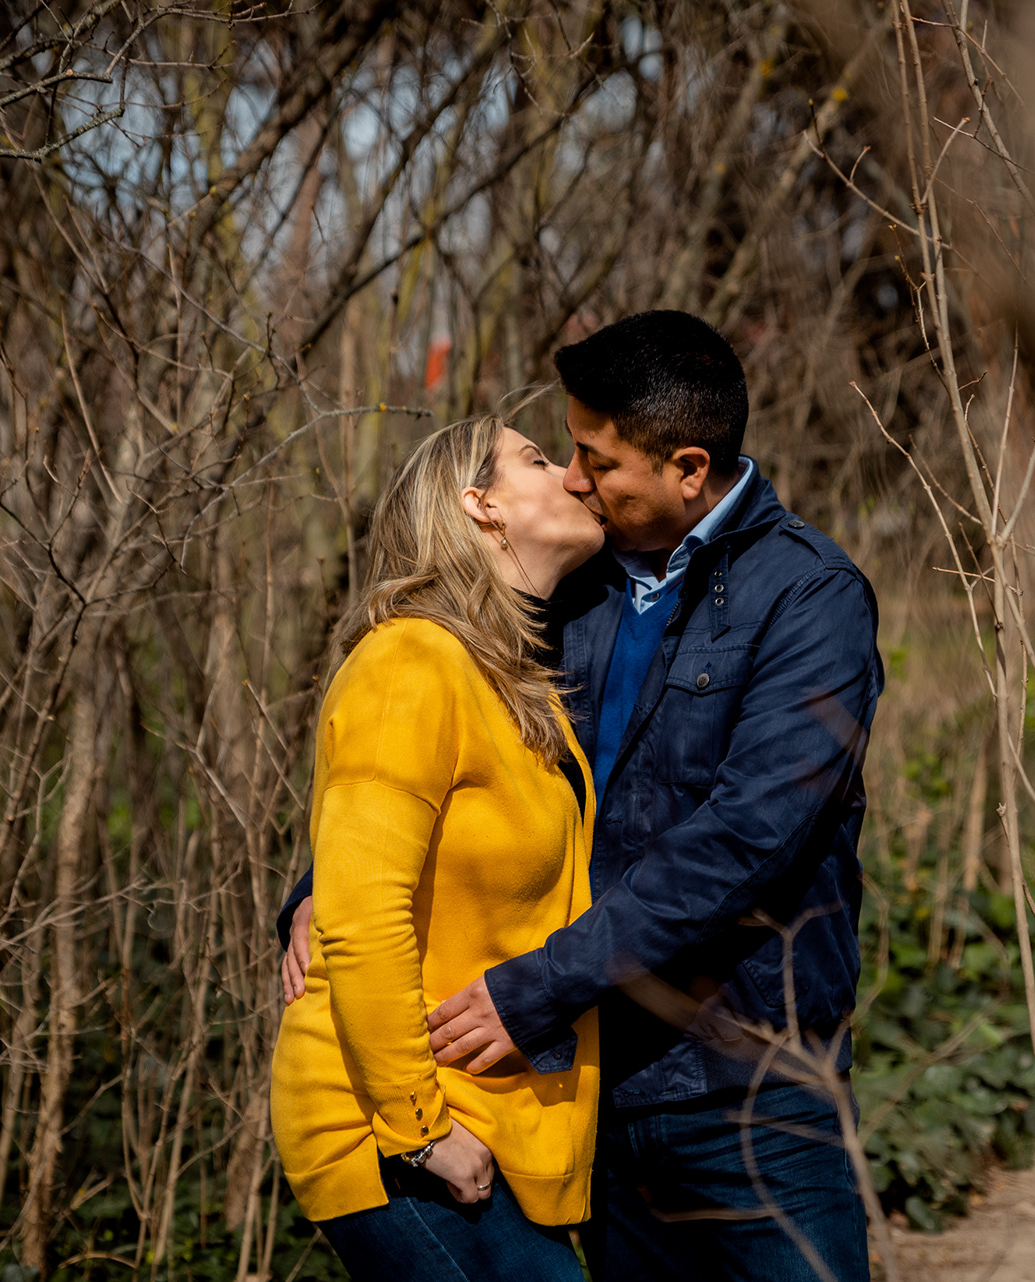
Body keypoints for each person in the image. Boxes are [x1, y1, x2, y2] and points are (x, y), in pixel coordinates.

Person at [282, 311, 883, 1281]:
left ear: (689, 467)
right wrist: (319, 886)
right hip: (595, 1085)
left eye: (594, 458)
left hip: (750, 1088)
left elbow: (746, 839)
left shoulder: (808, 598)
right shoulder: (571, 590)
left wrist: (536, 991)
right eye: (559, 454)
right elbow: (429, 764)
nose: (571, 477)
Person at [269, 415, 606, 1281]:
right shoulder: (409, 661)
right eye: (537, 459)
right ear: (479, 506)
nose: (571, 474)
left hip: (483, 1124)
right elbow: (363, 912)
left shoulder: (502, 675)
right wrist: (421, 1133)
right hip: (394, 1136)